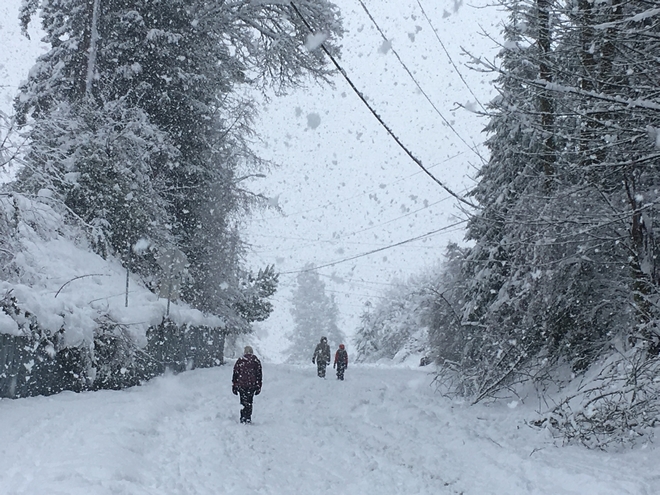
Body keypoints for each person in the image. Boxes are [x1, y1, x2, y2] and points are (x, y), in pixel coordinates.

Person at [232, 346, 262, 424]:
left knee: (243, 401)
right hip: (252, 385)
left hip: (241, 385)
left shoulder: (240, 361)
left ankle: (243, 417)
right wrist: (258, 386)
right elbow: (259, 375)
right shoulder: (256, 361)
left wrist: (234, 385)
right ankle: (248, 417)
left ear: (244, 352)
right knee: (249, 401)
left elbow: (235, 373)